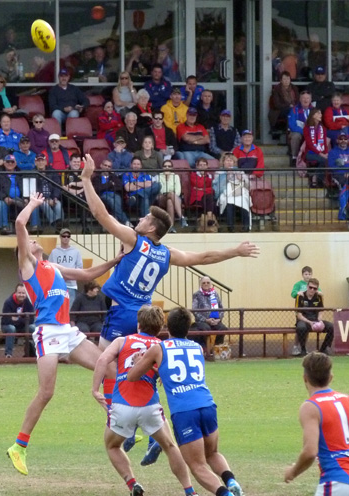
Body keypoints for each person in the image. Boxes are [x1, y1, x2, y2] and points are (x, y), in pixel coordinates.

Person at [81, 153, 259, 463]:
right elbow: (203, 258)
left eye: (146, 219)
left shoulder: (134, 240)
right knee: (139, 371)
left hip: (122, 312)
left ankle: (130, 426)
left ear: (151, 228)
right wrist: (236, 251)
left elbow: (101, 215)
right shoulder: (166, 254)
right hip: (144, 317)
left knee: (106, 363)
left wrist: (86, 180)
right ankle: (149, 429)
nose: (140, 220)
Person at [5, 192, 122, 476]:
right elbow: (20, 224)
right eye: (30, 242)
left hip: (68, 331)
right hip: (48, 333)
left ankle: (118, 423)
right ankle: (19, 446)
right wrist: (33, 204)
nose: (34, 241)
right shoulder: (28, 266)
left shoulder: (52, 266)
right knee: (46, 393)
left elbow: (85, 275)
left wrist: (116, 260)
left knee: (110, 368)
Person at [128, 307, 245, 496]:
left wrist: (137, 361)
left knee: (197, 466)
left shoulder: (159, 348)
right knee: (212, 453)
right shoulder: (197, 347)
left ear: (168, 326)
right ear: (188, 327)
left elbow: (132, 377)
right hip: (207, 404)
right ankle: (230, 480)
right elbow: (182, 373)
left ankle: (226, 494)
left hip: (184, 411)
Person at [91, 305, 197, 496]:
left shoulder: (122, 341)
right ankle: (189, 491)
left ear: (138, 324)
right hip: (150, 406)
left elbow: (102, 360)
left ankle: (133, 484)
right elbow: (168, 375)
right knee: (170, 447)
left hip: (122, 406)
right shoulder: (161, 346)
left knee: (112, 446)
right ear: (160, 328)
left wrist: (95, 389)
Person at [284, 351, 349, 494]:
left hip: (337, 483)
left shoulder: (310, 406)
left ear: (305, 378)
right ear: (331, 377)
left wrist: (292, 471)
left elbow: (310, 451)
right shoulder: (348, 400)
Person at [295, 278, 334, 356]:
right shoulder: (300, 296)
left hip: (315, 320)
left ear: (317, 289)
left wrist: (320, 319)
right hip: (304, 320)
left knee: (331, 327)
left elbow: (321, 310)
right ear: (307, 286)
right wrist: (309, 322)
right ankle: (303, 349)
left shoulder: (319, 297)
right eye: (310, 287)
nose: (312, 290)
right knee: (301, 327)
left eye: (314, 288)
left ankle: (323, 349)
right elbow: (298, 314)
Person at [215, 153, 251, 232]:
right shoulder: (219, 172)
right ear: (223, 162)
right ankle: (230, 227)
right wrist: (226, 177)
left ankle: (246, 226)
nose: (229, 162)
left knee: (243, 200)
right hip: (226, 193)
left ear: (234, 162)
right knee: (229, 202)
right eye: (227, 160)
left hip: (239, 192)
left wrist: (241, 179)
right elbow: (217, 187)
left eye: (231, 160)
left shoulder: (239, 171)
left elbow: (248, 185)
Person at [191, 276, 228, 352]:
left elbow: (221, 308)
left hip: (215, 320)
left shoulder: (215, 294)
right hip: (202, 321)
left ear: (210, 284)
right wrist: (206, 320)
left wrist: (218, 319)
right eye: (204, 283)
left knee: (223, 329)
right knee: (206, 329)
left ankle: (215, 349)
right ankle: (205, 350)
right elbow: (194, 311)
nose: (206, 284)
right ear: (201, 284)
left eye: (208, 282)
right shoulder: (197, 295)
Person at [48, 228, 83, 304]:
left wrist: (70, 276)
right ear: (60, 237)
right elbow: (49, 268)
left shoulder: (76, 251)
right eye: (64, 236)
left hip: (71, 285)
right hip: (57, 285)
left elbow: (79, 268)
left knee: (69, 309)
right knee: (58, 308)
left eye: (68, 236)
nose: (66, 238)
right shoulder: (54, 252)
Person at [0, 154, 25, 234]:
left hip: (19, 199)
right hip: (3, 199)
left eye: (12, 162)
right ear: (4, 163)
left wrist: (25, 197)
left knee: (30, 203)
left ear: (15, 163)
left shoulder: (20, 174)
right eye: (8, 162)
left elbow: (26, 187)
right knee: (1, 204)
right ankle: (4, 227)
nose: (10, 164)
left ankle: (30, 228)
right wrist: (4, 197)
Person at [1, 283, 35, 358]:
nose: (21, 295)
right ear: (15, 293)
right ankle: (8, 354)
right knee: (11, 328)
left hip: (23, 327)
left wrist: (17, 319)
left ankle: (33, 352)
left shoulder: (29, 302)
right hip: (7, 326)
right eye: (19, 293)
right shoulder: (8, 302)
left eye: (23, 293)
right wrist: (23, 319)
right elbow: (6, 320)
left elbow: (31, 320)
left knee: (33, 327)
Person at [92, 158, 130, 226]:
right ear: (101, 165)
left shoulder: (114, 177)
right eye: (105, 165)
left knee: (116, 199)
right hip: (102, 196)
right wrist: (110, 184)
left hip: (114, 194)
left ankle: (117, 220)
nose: (107, 168)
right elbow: (97, 189)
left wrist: (105, 186)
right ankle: (125, 221)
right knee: (112, 201)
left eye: (109, 166)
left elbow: (119, 188)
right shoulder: (96, 177)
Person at [157, 159, 186, 232]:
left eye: (169, 166)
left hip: (174, 198)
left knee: (170, 201)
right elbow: (160, 190)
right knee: (171, 194)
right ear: (162, 168)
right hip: (162, 198)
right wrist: (166, 179)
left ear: (172, 168)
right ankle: (181, 217)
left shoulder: (175, 176)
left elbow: (178, 191)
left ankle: (171, 226)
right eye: (165, 166)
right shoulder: (159, 176)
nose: (167, 168)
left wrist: (171, 194)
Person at [288, 90, 314, 165]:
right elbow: (292, 125)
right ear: (300, 99)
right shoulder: (294, 110)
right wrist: (304, 132)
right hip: (298, 131)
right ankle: (294, 157)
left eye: (307, 98)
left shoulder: (314, 110)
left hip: (311, 131)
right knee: (296, 136)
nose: (305, 100)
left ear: (310, 100)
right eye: (303, 98)